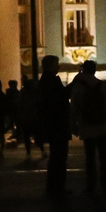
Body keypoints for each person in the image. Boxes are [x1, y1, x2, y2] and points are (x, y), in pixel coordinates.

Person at [71, 59, 106, 197]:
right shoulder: (102, 85)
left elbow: (74, 106)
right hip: (102, 126)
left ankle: (91, 185)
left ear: (83, 70)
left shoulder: (79, 86)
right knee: (104, 157)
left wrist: (74, 125)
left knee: (90, 158)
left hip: (87, 126)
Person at [39, 57, 73, 196]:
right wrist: (74, 83)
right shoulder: (50, 80)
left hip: (54, 124)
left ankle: (55, 187)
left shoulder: (47, 79)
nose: (58, 66)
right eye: (56, 64)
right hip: (57, 125)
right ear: (50, 66)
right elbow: (61, 96)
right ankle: (57, 188)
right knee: (58, 158)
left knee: (56, 158)